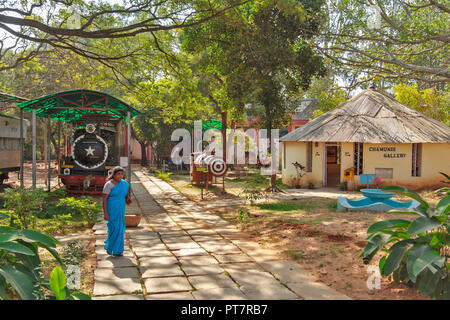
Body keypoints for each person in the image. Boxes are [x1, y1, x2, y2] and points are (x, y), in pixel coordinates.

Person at [102, 166, 131, 256]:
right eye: (118, 174)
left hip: (121, 209)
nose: (120, 176)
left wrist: (128, 200)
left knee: (120, 229)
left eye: (122, 174)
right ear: (113, 174)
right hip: (111, 209)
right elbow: (104, 200)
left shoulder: (124, 184)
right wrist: (105, 213)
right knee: (113, 229)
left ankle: (118, 250)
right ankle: (110, 248)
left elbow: (126, 196)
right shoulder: (109, 185)